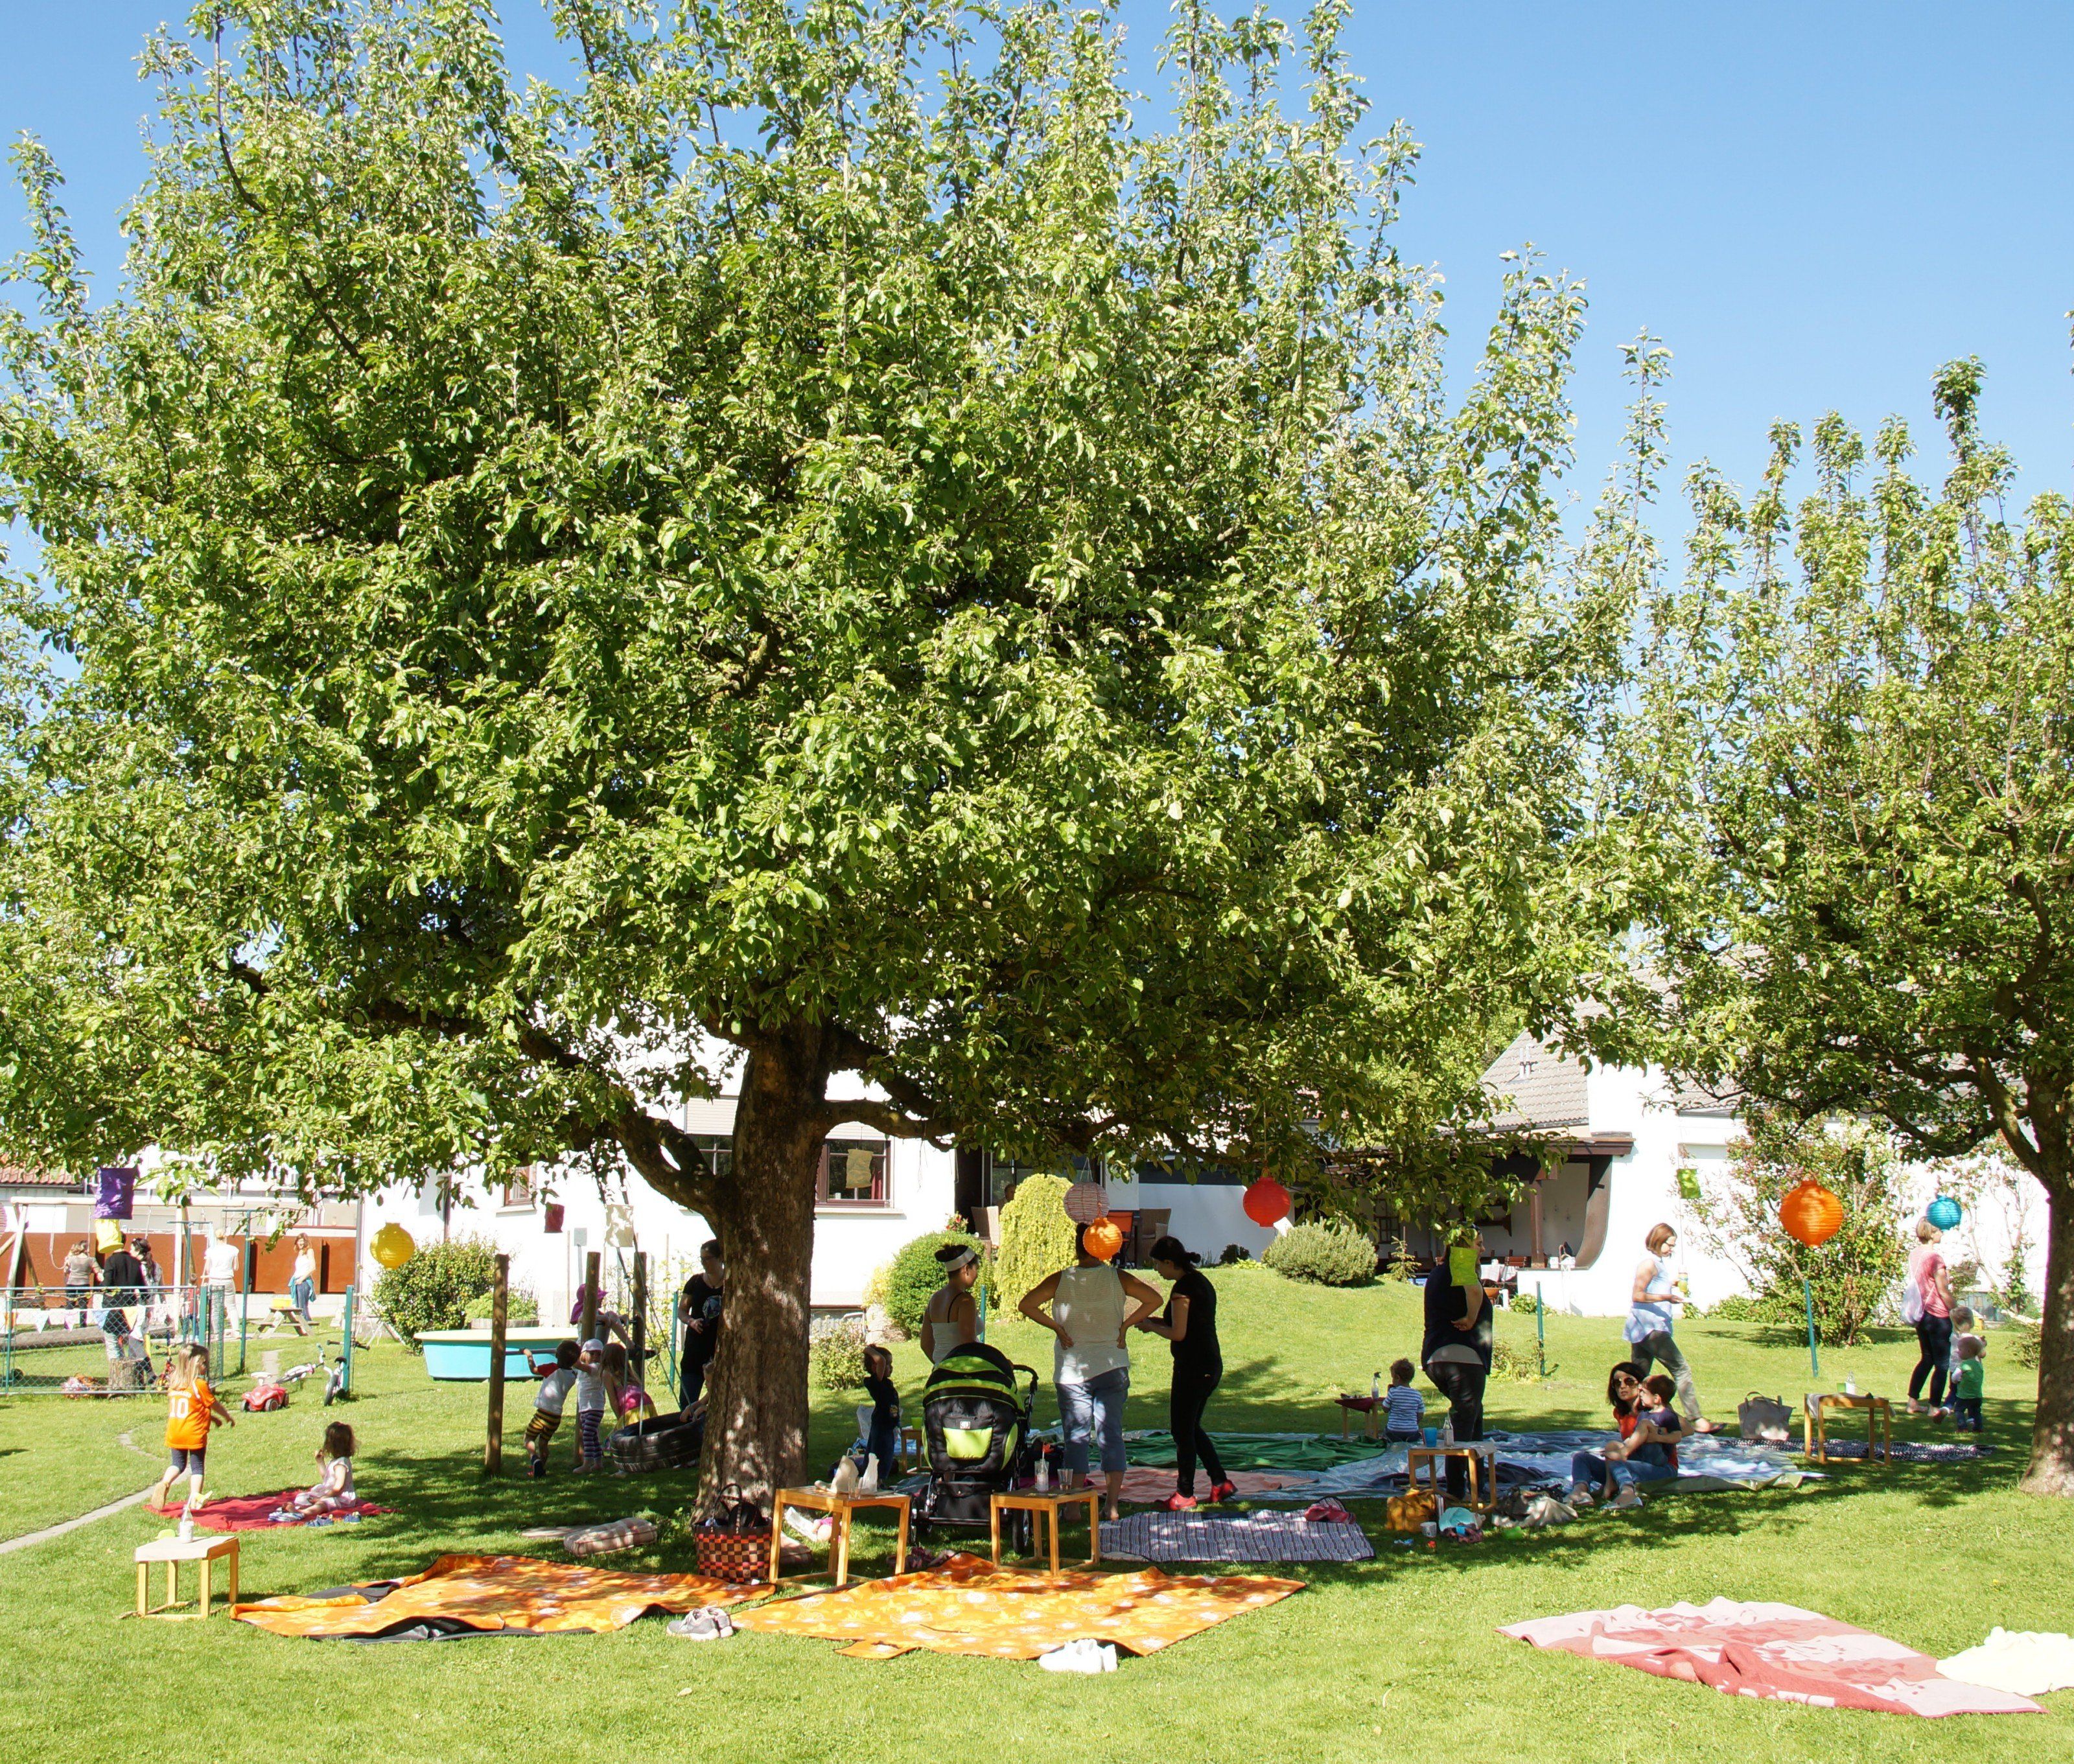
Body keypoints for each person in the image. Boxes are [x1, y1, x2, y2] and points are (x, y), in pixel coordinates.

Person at [1020, 1225, 1161, 1521]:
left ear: (1077, 1247)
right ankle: (1111, 1506)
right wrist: (1125, 1325)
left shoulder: (1062, 1279)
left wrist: (1058, 1327)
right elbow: (1154, 1299)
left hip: (1072, 1371)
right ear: (1105, 1247)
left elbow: (1027, 1305)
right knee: (1111, 1435)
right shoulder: (1117, 1277)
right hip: (1112, 1364)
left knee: (1076, 1438)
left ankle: (1072, 1508)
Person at [1136, 1235, 1237, 1509]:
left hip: (1193, 1367)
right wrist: (1150, 1319)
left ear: (1170, 1263)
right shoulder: (1200, 1281)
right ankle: (1220, 1482)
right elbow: (1185, 1323)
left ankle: (1185, 1494)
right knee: (1191, 1427)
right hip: (1208, 1364)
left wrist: (1151, 1327)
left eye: (1158, 1264)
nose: (1157, 1270)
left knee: (1181, 1431)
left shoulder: (1182, 1289)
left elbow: (1178, 1333)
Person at [1420, 1229, 1491, 1499]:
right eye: (1479, 1244)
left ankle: (1478, 1483)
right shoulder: (1460, 1262)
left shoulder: (1442, 1270)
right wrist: (1473, 1318)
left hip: (1438, 1357)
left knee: (1472, 1415)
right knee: (1464, 1423)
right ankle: (1457, 1491)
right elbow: (1475, 1291)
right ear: (1462, 1245)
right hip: (1461, 1359)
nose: (1483, 1249)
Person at [1625, 1223, 1712, 1432]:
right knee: (1681, 1370)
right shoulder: (1648, 1264)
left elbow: (1651, 1288)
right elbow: (1638, 1295)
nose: (1671, 1249)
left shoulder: (1658, 1264)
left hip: (1642, 1328)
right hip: (1651, 1329)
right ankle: (1696, 1419)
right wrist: (1667, 1296)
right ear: (1657, 1240)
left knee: (1639, 1377)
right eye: (1669, 1245)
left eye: (1673, 1245)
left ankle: (1631, 1419)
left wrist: (1670, 1284)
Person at [1570, 1368, 1682, 1511]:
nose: (1623, 1386)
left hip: (1660, 1466)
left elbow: (1684, 1431)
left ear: (1656, 1397)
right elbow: (1633, 1438)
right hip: (1636, 1464)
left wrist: (1657, 1435)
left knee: (1619, 1458)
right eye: (1617, 1383)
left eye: (1629, 1382)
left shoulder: (1666, 1414)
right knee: (1585, 1457)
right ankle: (1581, 1492)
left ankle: (1628, 1494)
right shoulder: (1636, 1414)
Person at [151, 1343, 231, 1511]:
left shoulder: (175, 1384)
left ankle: (165, 1483)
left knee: (178, 1465)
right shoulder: (199, 1385)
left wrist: (212, 1419)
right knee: (197, 1467)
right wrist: (226, 1416)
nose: (206, 1367)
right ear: (195, 1365)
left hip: (175, 1432)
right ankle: (195, 1498)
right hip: (194, 1435)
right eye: (204, 1363)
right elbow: (214, 1404)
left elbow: (193, 1410)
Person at [1906, 1219, 1956, 1416]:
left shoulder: (1915, 1255)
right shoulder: (1935, 1258)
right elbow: (1943, 1291)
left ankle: (1912, 1402)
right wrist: (1958, 1312)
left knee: (1927, 1358)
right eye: (1940, 1231)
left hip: (1922, 1315)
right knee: (1942, 1364)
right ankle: (1934, 1406)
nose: (1942, 1234)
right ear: (1933, 1232)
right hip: (1938, 1315)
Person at [675, 1239, 725, 1407]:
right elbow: (681, 1310)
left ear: (720, 1258)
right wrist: (691, 1321)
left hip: (720, 1350)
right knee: (687, 1402)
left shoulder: (732, 1284)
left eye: (708, 1258)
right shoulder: (695, 1282)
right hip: (695, 1351)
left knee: (717, 1402)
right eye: (701, 1259)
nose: (704, 1263)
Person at [96, 1238, 153, 1380]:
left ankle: (118, 1379)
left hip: (113, 1308)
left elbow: (107, 1285)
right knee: (132, 1344)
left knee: (113, 1343)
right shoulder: (135, 1262)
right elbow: (144, 1290)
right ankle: (134, 1378)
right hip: (130, 1310)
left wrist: (101, 1279)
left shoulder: (111, 1261)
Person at [523, 1339, 581, 1479]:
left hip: (543, 1414)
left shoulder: (552, 1368)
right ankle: (540, 1469)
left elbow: (534, 1370)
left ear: (556, 1356)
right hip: (556, 1417)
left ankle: (534, 1460)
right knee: (544, 1443)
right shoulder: (573, 1376)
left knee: (528, 1438)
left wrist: (528, 1355)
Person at [920, 1241, 981, 1365]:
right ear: (967, 1269)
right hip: (962, 1371)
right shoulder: (965, 1301)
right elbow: (968, 1344)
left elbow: (925, 1344)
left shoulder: (934, 1299)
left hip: (941, 1371)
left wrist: (941, 1365)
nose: (977, 1274)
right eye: (977, 1269)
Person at [856, 1343, 902, 1479]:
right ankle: (876, 1481)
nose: (891, 1367)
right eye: (888, 1364)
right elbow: (880, 1360)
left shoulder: (886, 1383)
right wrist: (868, 1349)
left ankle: (879, 1481)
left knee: (886, 1456)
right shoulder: (877, 1383)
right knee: (880, 1456)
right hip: (881, 1427)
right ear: (875, 1367)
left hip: (889, 1426)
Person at [292, 1421, 358, 1514]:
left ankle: (302, 1513)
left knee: (323, 1504)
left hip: (341, 1498)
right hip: (330, 1493)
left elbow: (338, 1488)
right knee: (302, 1498)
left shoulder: (341, 1464)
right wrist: (320, 1462)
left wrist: (322, 1498)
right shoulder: (335, 1461)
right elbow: (327, 1478)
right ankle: (305, 1508)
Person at [572, 1336, 616, 1471]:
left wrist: (569, 1355)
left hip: (594, 1408)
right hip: (585, 1408)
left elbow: (579, 1365)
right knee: (593, 1436)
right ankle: (598, 1463)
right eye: (592, 1354)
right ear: (584, 1354)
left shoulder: (596, 1368)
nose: (596, 1356)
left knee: (587, 1434)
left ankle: (587, 1463)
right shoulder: (583, 1370)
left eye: (599, 1354)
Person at [1382, 1358, 1425, 1443]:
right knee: (1415, 1434)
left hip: (1394, 1431)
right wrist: (1412, 1424)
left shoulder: (1393, 1392)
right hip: (1412, 1431)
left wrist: (1388, 1396)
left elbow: (1385, 1409)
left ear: (1397, 1378)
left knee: (1386, 1432)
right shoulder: (1417, 1395)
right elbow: (1420, 1415)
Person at [1950, 1336, 1986, 1432]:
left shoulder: (1964, 1365)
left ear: (1969, 1351)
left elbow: (1955, 1377)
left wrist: (1955, 1381)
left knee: (1959, 1410)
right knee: (1976, 1411)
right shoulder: (1979, 1365)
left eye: (1960, 1350)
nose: (1958, 1351)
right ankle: (1978, 1428)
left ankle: (1962, 1427)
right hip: (1977, 1395)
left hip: (1964, 1395)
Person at [62, 1239, 96, 1328]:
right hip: (84, 1283)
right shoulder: (90, 1260)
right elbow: (96, 1270)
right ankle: (82, 1325)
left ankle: (67, 1325)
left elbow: (65, 1270)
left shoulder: (71, 1259)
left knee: (70, 1304)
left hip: (72, 1283)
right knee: (83, 1304)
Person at [289, 1235, 316, 1325]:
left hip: (304, 1282)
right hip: (297, 1281)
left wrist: (302, 1279)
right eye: (299, 1241)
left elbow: (313, 1268)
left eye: (302, 1241)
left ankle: (307, 1326)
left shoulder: (310, 1251)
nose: (301, 1243)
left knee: (303, 1306)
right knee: (298, 1306)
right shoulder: (300, 1252)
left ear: (306, 1242)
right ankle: (303, 1326)